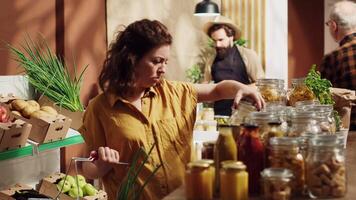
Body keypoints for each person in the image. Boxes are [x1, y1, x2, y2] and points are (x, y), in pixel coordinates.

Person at [79, 19, 265, 200]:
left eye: (166, 62)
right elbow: (86, 167)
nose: (163, 69)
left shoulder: (175, 92)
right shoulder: (100, 108)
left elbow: (217, 89)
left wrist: (243, 88)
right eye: (157, 61)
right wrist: (101, 166)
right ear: (131, 59)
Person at [202, 15, 265, 116]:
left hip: (245, 112)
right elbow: (205, 84)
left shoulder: (248, 55)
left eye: (221, 40)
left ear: (231, 37)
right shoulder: (211, 60)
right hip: (220, 114)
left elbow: (261, 84)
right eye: (214, 41)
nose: (217, 45)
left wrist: (240, 89)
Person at [319, 0, 356, 130]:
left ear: (334, 26)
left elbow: (321, 103)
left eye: (328, 24)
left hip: (349, 134)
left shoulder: (333, 59)